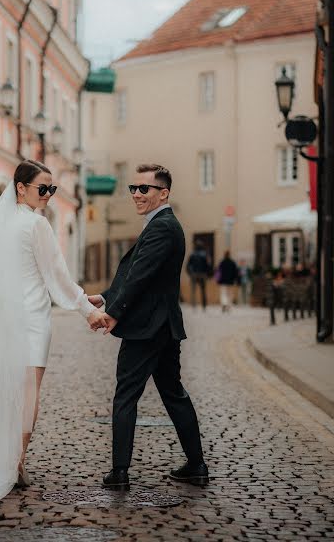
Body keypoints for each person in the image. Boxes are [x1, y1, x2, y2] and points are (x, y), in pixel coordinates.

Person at [0, 159, 107, 500]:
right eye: (42, 188)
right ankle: (14, 463)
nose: (48, 194)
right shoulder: (37, 225)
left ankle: (5, 459)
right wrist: (86, 311)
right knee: (28, 396)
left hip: (5, 318)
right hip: (32, 320)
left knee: (6, 391)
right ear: (21, 188)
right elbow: (56, 274)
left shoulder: (0, 223)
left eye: (52, 189)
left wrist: (82, 299)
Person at [88, 163, 208, 490]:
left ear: (163, 192)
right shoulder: (160, 224)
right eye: (133, 188)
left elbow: (140, 276)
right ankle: (196, 465)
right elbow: (139, 274)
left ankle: (120, 472)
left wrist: (114, 312)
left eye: (145, 189)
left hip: (148, 327)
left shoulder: (163, 227)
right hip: (162, 325)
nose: (137, 194)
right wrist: (105, 296)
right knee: (173, 393)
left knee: (126, 396)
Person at [186, 240, 210, 310]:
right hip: (202, 274)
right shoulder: (204, 254)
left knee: (193, 290)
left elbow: (188, 265)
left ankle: (194, 305)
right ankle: (204, 305)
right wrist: (207, 274)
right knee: (203, 290)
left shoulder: (192, 254)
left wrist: (190, 273)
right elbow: (207, 265)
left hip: (194, 274)